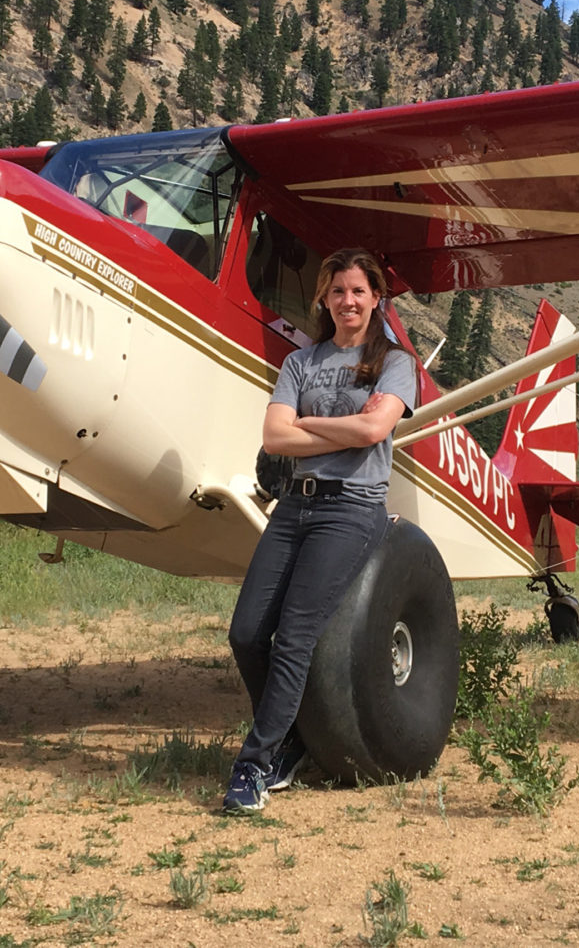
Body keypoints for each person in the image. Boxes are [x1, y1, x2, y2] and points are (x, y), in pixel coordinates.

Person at [222, 247, 417, 813]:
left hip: (352, 508)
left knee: (296, 635)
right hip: (294, 506)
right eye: (337, 291)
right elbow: (275, 439)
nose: (347, 301)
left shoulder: (395, 363)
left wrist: (306, 421)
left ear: (376, 297)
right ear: (323, 299)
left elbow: (376, 428)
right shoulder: (300, 363)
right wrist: (346, 427)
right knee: (247, 633)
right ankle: (293, 738)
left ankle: (254, 767)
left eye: (358, 291)